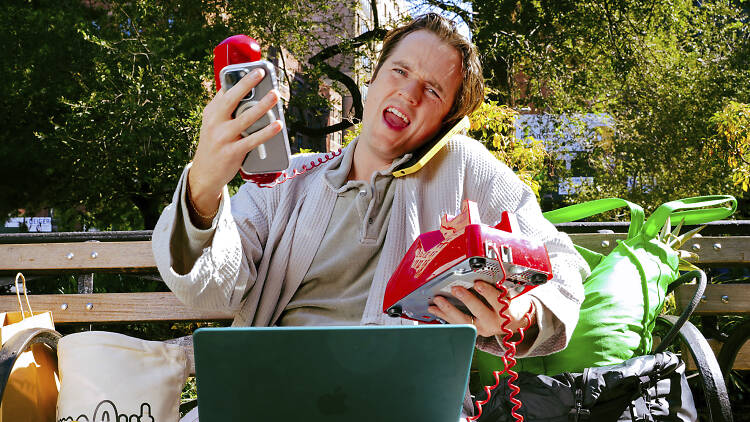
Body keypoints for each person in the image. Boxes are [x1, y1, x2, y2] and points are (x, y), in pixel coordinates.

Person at [153, 13, 589, 420]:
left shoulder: (464, 168)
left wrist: (520, 312)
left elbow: (562, 264)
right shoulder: (285, 182)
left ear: (447, 121)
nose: (409, 93)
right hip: (266, 400)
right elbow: (210, 292)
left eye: (433, 90)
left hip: (409, 406)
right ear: (374, 79)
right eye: (399, 71)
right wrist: (204, 188)